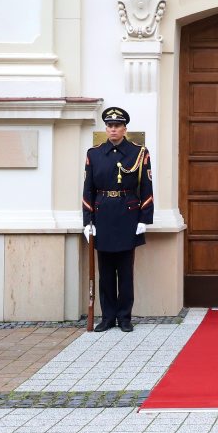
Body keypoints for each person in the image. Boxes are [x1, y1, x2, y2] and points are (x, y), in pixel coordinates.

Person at [82, 106, 154, 332]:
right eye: (110, 126)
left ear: (125, 129)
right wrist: (87, 221)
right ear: (106, 128)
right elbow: (88, 190)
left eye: (117, 126)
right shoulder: (94, 153)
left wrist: (145, 218)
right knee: (105, 273)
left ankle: (124, 317)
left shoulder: (138, 152)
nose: (113, 129)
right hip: (102, 216)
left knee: (125, 272)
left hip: (128, 216)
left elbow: (146, 187)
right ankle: (107, 317)